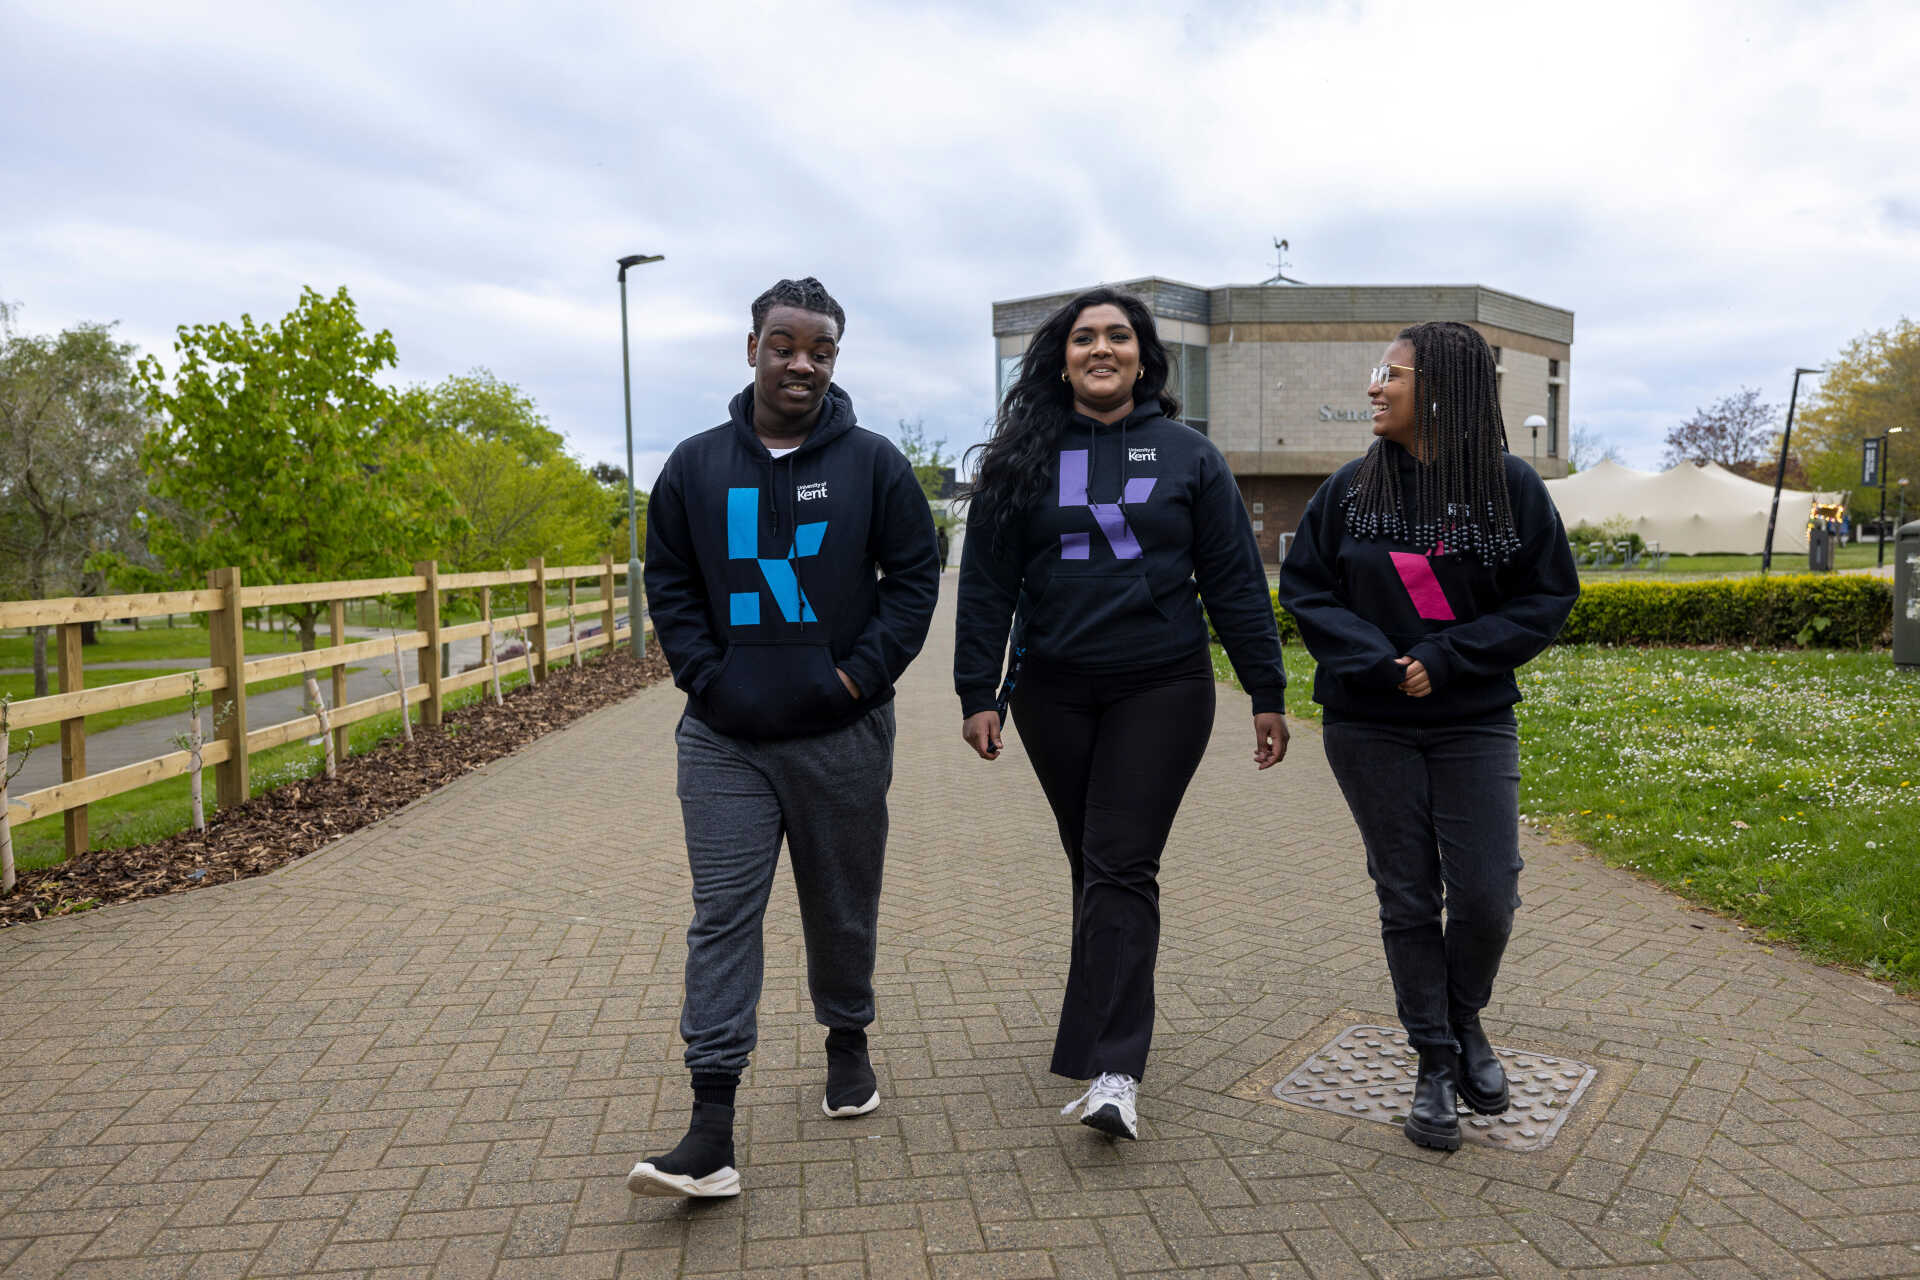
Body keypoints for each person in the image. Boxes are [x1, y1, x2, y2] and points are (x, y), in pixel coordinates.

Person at [629, 277, 940, 1198]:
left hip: (840, 735)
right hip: (723, 739)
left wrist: (853, 678)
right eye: (783, 344)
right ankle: (711, 1125)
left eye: (820, 350)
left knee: (839, 909)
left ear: (834, 360)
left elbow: (915, 581)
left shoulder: (875, 465)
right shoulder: (693, 464)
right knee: (723, 916)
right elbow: (671, 581)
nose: (800, 361)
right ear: (752, 347)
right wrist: (705, 677)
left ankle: (848, 1036)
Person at [954, 287, 1289, 1141]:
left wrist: (1266, 691)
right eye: (1082, 338)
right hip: (1052, 691)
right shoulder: (1020, 458)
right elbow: (989, 584)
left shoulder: (1189, 456)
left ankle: (1115, 1069)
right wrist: (976, 692)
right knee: (1093, 861)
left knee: (1119, 863)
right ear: (1060, 356)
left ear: (1144, 354)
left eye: (1117, 336)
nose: (1100, 349)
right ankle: (1092, 1025)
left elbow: (1235, 583)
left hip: (1162, 688)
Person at [1277, 321, 1579, 1151]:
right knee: (1409, 896)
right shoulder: (1348, 491)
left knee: (1487, 895)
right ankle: (1436, 1060)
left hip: (1471, 721)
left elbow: (1548, 597)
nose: (1375, 386)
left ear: (1439, 389)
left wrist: (1447, 658)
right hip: (1369, 724)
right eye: (1377, 373)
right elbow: (1306, 592)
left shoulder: (1510, 489)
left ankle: (1464, 1017)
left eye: (1393, 374)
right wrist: (1378, 661)